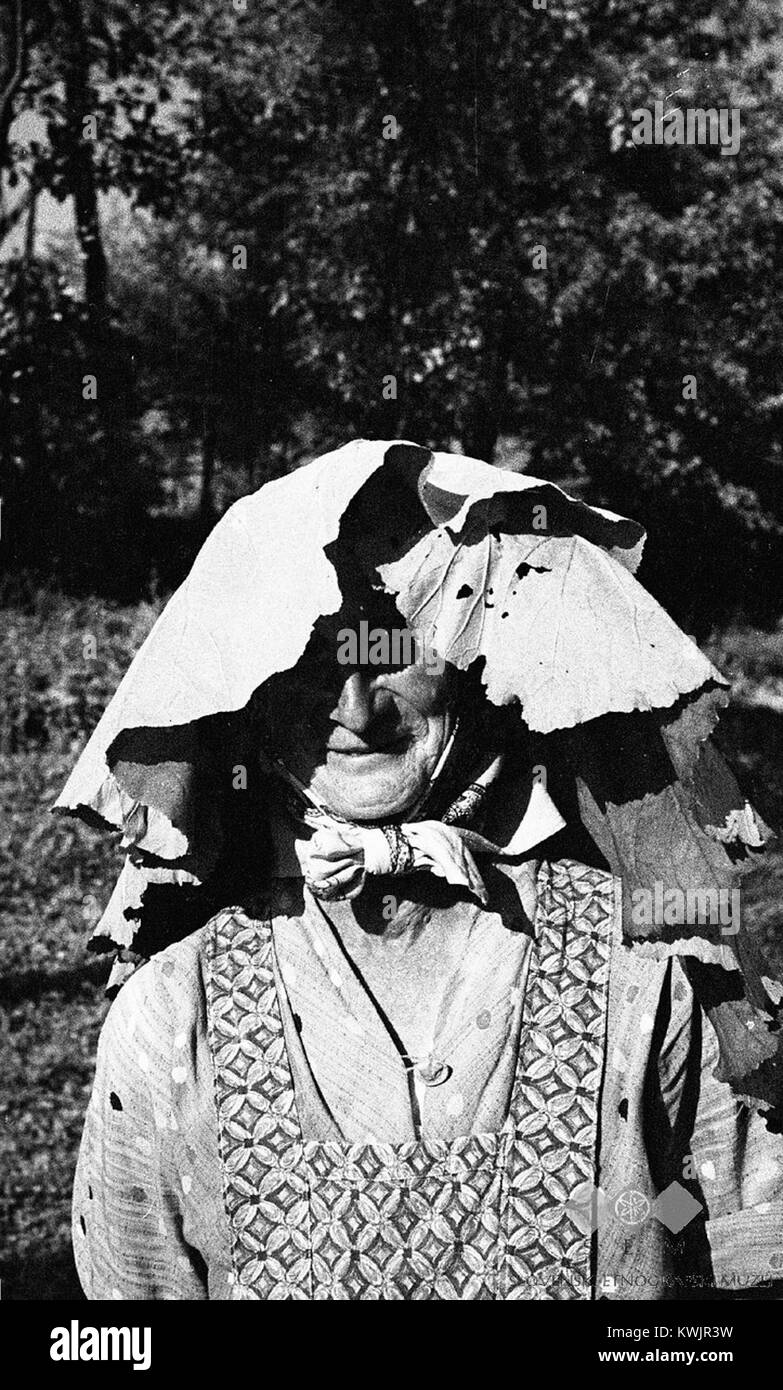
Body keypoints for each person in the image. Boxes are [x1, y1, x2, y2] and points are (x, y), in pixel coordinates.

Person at [63, 440, 783, 1300]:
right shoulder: (174, 1016)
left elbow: (726, 1233)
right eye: (307, 661)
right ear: (247, 696)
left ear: (482, 661)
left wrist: (628, 1226)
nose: (356, 711)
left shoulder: (646, 971)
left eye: (391, 648)